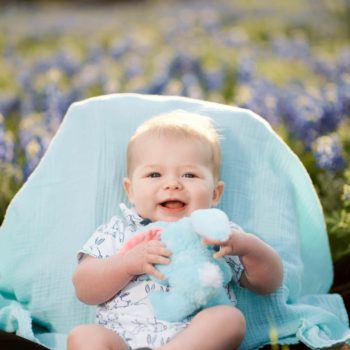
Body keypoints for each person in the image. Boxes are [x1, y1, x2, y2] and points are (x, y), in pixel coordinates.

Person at [67, 110, 283, 350]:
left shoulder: (217, 231)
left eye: (189, 174)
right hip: (120, 340)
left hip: (192, 338)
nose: (172, 184)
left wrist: (248, 247)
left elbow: (268, 284)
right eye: (154, 174)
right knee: (83, 337)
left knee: (230, 319)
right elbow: (83, 287)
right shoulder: (118, 230)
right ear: (130, 190)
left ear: (215, 194)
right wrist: (126, 263)